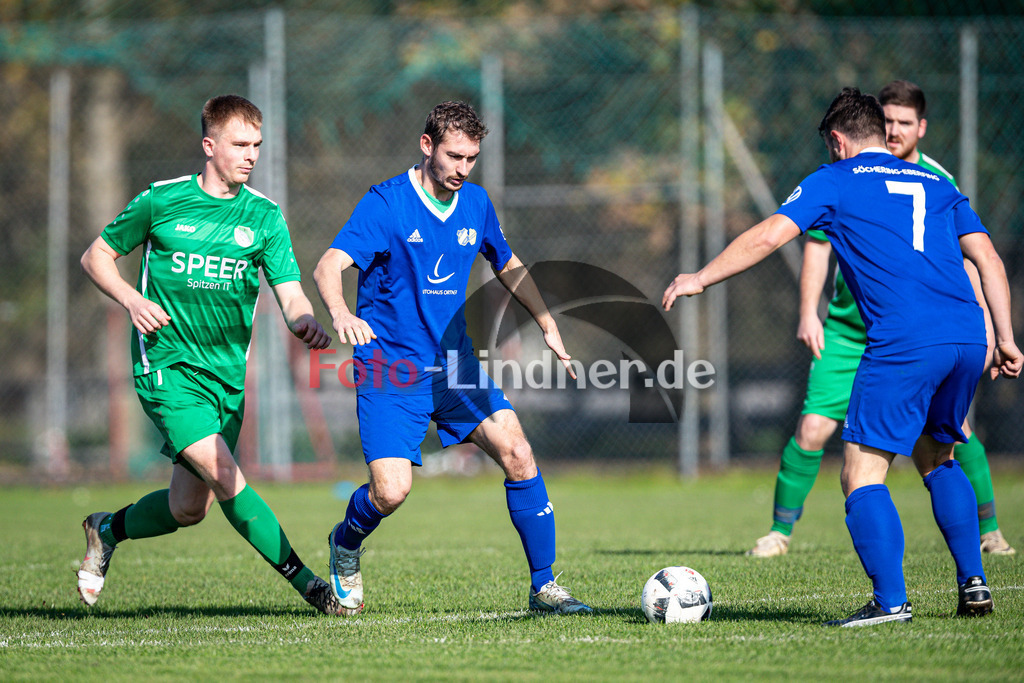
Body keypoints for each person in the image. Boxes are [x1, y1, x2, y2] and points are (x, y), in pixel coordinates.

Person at [663, 88, 1022, 626]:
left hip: (904, 341)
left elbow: (769, 235)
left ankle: (890, 602)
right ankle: (973, 582)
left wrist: (700, 277)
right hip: (968, 335)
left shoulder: (834, 179)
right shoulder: (939, 183)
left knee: (860, 476)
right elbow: (988, 258)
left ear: (837, 140)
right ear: (882, 131)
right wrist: (1007, 336)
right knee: (937, 458)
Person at [313, 101, 591, 615]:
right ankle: (346, 542)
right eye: (455, 156)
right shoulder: (386, 204)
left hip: (454, 366)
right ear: (427, 146)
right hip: (391, 369)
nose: (463, 168)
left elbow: (507, 262)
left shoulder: (476, 203)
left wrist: (547, 321)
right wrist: (340, 311)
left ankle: (545, 588)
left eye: (472, 158)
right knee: (392, 491)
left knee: (518, 452)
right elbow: (328, 265)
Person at [78, 95, 346, 616]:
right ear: (209, 145)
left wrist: (303, 321)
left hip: (226, 380)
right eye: (240, 144)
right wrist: (133, 300)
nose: (251, 155)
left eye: (257, 146)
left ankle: (105, 529)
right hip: (167, 369)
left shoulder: (265, 216)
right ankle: (310, 585)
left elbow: (289, 291)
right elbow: (97, 257)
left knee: (187, 508)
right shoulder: (160, 201)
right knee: (226, 475)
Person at [746, 79, 1016, 559]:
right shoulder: (849, 177)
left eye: (903, 123)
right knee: (815, 430)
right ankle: (779, 532)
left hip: (904, 333)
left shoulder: (933, 179)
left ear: (922, 128)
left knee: (917, 452)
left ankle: (982, 535)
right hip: (852, 329)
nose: (893, 132)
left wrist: (997, 330)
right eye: (887, 121)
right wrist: (810, 310)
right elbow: (817, 243)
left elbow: (971, 261)